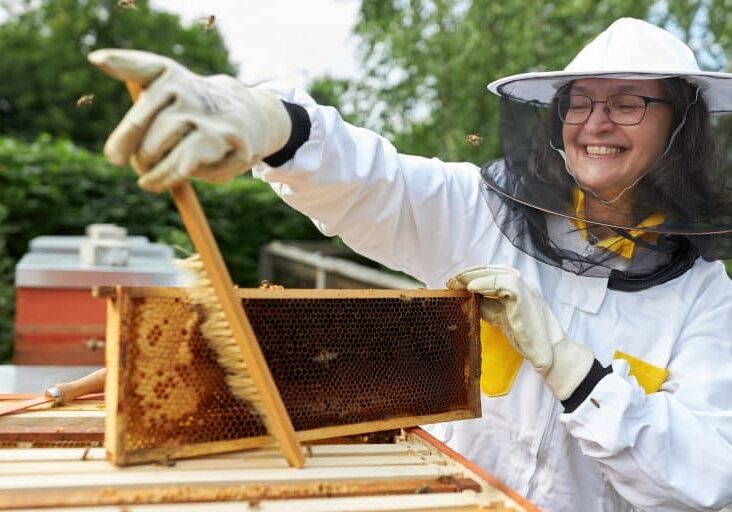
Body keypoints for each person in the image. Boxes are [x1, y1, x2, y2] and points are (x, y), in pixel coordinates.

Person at [89, 17, 732, 511]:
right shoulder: (480, 210)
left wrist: (574, 370)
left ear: (680, 126)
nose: (596, 123)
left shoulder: (705, 297)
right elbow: (376, 184)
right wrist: (270, 122)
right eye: (580, 102)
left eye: (626, 104)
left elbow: (706, 478)